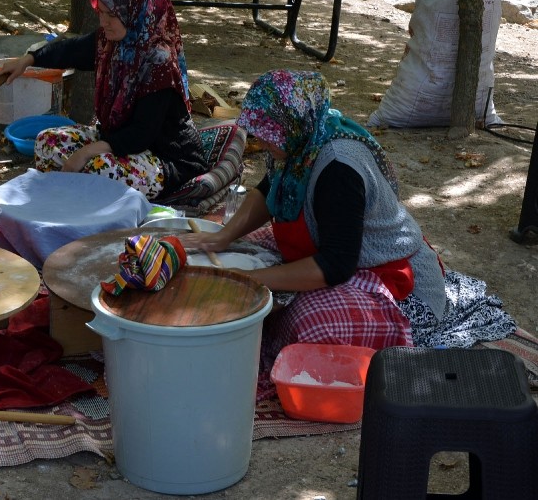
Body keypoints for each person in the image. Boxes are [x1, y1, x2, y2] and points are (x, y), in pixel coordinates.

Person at [182, 69, 515, 373]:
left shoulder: (338, 168)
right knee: (245, 255)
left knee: (309, 324)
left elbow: (336, 264)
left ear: (292, 124)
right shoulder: (301, 139)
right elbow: (269, 189)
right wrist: (223, 237)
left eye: (268, 134)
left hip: (397, 285)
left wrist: (250, 279)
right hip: (341, 258)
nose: (262, 142)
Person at [0, 0, 210, 200]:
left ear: (135, 12)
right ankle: (72, 197)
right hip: (117, 142)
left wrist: (85, 153)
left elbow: (141, 134)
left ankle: (81, 199)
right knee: (47, 142)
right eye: (101, 13)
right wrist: (28, 60)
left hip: (165, 158)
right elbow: (71, 50)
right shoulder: (110, 42)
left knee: (100, 167)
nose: (103, 21)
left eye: (111, 15)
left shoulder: (159, 62)